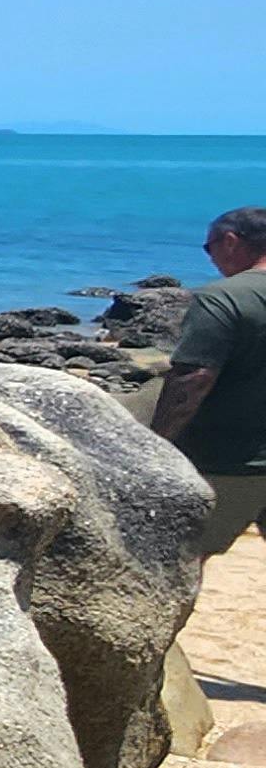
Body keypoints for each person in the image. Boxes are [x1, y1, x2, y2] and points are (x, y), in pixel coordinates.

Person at [153, 206, 266, 555]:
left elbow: (193, 378)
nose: (212, 258)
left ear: (230, 242)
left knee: (177, 560)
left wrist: (154, 448)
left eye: (210, 247)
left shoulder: (223, 297)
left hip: (228, 461)